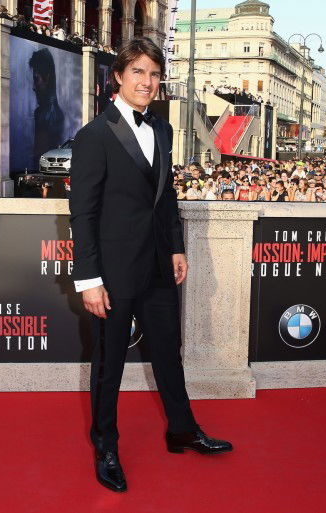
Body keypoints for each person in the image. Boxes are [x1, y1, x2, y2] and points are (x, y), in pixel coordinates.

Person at [69, 38, 232, 494]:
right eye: (138, 72)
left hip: (159, 267)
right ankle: (105, 446)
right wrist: (89, 279)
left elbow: (165, 199)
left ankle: (181, 429)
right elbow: (82, 214)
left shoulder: (161, 129)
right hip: (113, 273)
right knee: (108, 366)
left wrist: (176, 246)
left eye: (155, 74)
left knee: (168, 354)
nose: (147, 81)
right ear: (117, 77)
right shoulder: (93, 136)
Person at [30, 48, 65, 170]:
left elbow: (39, 156)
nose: (34, 87)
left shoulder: (45, 115)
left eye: (36, 79)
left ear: (47, 78)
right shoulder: (52, 113)